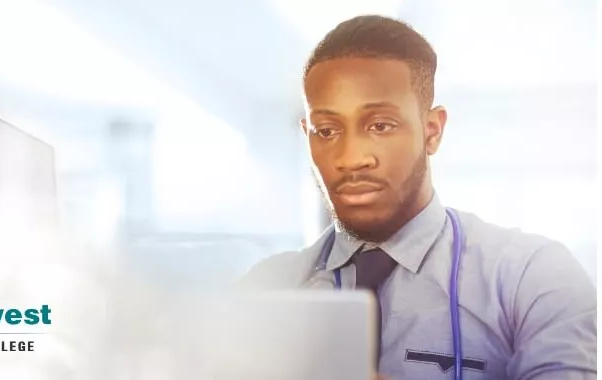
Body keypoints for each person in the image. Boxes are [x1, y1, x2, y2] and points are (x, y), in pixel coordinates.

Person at [238, 15, 597, 380]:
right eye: (327, 130)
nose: (350, 158)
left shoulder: (531, 276)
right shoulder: (264, 288)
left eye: (380, 126)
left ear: (432, 131)